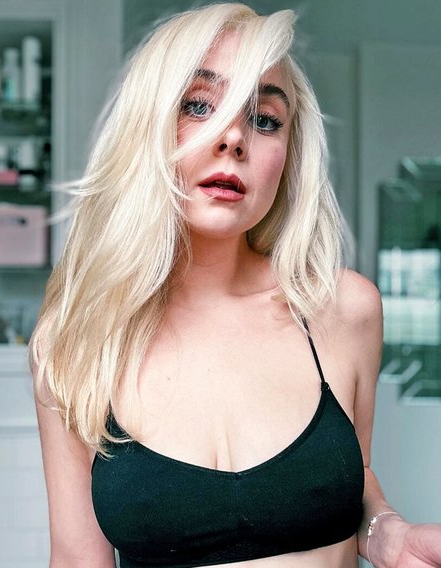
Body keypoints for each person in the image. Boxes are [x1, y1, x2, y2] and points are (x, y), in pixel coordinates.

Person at [30, 3, 441, 567]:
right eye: (199, 105)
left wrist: (386, 533)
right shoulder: (76, 340)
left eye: (265, 119)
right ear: (146, 127)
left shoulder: (343, 309)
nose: (233, 138)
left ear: (288, 155)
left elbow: (349, 483)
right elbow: (79, 557)